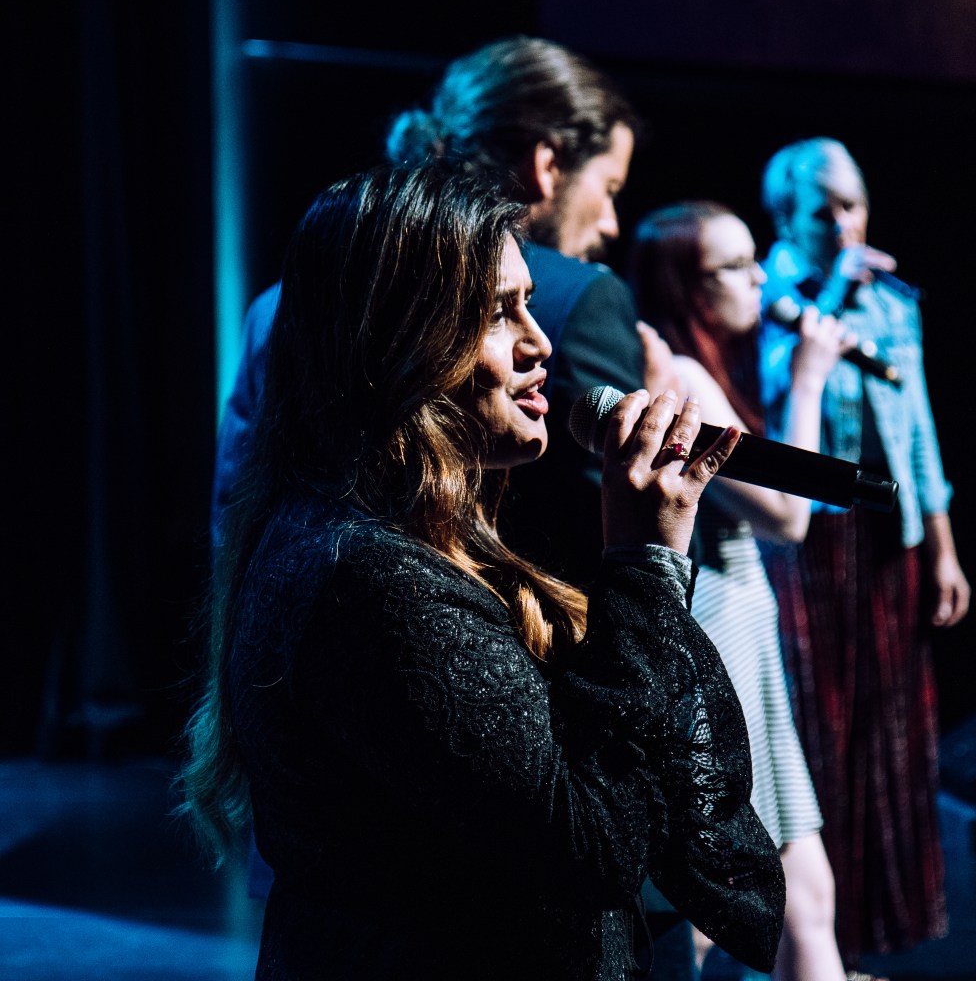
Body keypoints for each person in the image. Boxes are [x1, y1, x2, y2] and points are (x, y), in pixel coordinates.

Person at [179, 163, 786, 979]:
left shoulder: (389, 540)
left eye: (530, 305)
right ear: (402, 340)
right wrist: (646, 558)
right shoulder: (372, 583)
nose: (540, 345)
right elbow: (596, 847)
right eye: (501, 313)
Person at [211, 35, 653, 587]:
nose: (611, 223)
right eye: (609, 188)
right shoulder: (585, 297)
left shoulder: (274, 304)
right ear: (547, 164)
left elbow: (238, 515)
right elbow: (613, 538)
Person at [757, 137, 970, 968]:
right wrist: (838, 293)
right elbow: (777, 396)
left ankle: (880, 933)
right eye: (825, 210)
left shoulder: (892, 302)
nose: (846, 223)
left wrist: (942, 548)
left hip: (889, 531)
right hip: (809, 539)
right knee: (822, 729)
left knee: (891, 725)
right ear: (788, 218)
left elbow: (919, 431)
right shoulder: (765, 290)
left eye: (855, 204)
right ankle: (817, 943)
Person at [630, 202, 848, 981]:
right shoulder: (684, 378)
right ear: (687, 288)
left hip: (739, 632)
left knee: (797, 894)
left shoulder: (705, 369)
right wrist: (809, 379)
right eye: (734, 265)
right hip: (719, 633)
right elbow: (788, 515)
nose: (760, 277)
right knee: (728, 902)